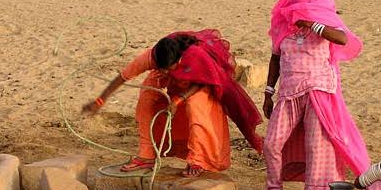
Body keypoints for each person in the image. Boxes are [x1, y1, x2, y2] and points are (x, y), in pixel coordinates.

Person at [82, 29, 263, 177]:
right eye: (161, 68)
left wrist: (178, 99)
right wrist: (100, 100)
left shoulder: (196, 56)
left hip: (199, 83)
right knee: (147, 97)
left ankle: (198, 160)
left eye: (169, 68)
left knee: (195, 105)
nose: (165, 71)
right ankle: (146, 155)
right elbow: (123, 76)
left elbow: (204, 79)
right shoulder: (153, 57)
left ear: (178, 60)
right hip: (175, 78)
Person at [256, 0, 370, 190]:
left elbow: (342, 39)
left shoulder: (324, 21)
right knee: (271, 143)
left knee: (316, 146)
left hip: (318, 90)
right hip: (288, 92)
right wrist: (268, 92)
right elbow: (275, 58)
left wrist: (312, 23)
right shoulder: (282, 25)